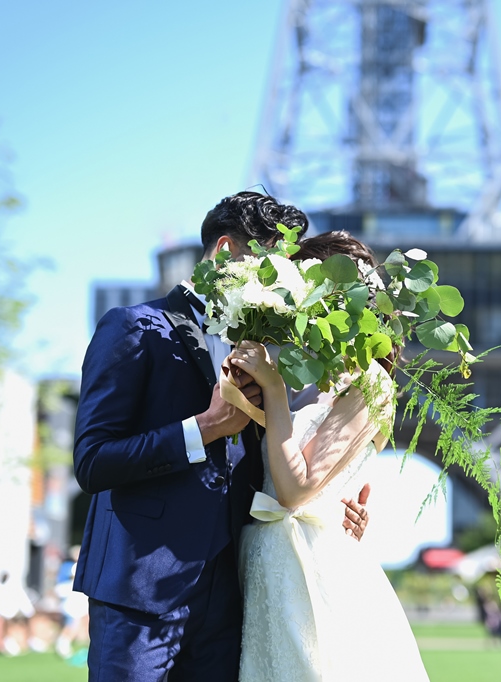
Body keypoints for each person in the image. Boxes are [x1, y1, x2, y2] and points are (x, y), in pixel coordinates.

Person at [72, 192, 371, 681]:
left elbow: (281, 462)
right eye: (271, 264)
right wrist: (205, 428)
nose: (284, 284)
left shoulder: (269, 351)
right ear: (226, 251)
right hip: (138, 590)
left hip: (233, 595)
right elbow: (92, 461)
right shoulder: (133, 328)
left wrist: (328, 503)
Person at [231, 230, 429, 680]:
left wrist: (274, 390)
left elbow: (296, 488)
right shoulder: (300, 376)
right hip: (269, 557)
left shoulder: (370, 382)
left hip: (310, 563)